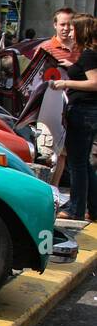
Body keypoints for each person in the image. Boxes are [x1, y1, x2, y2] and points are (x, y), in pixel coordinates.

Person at [50, 13, 97, 221]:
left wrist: (65, 83)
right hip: (87, 112)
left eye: (73, 28)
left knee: (77, 163)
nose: (69, 31)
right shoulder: (90, 54)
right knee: (83, 163)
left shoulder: (88, 54)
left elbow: (94, 82)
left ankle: (76, 209)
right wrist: (72, 68)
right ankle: (93, 207)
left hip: (83, 112)